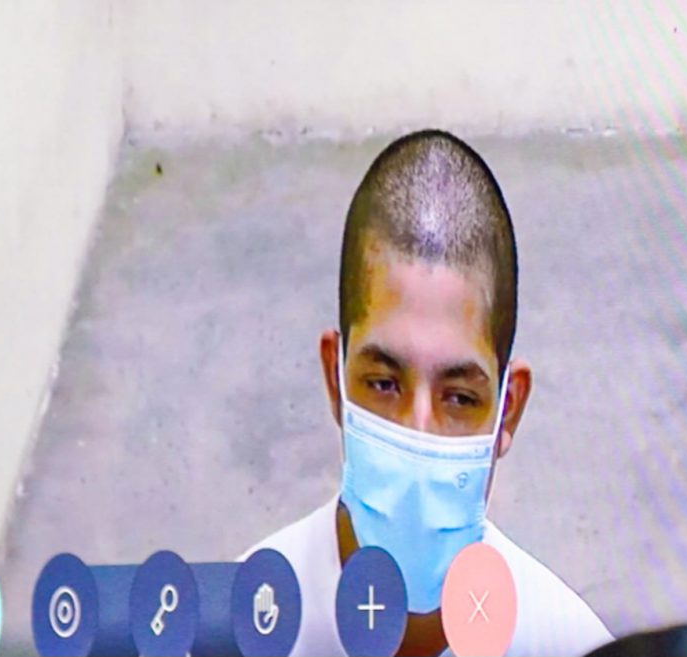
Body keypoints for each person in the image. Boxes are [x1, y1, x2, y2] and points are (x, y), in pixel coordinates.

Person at [242, 130, 614, 656]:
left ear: (507, 412)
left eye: (459, 398)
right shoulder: (243, 628)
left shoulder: (570, 645)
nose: (417, 430)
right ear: (335, 378)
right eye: (384, 384)